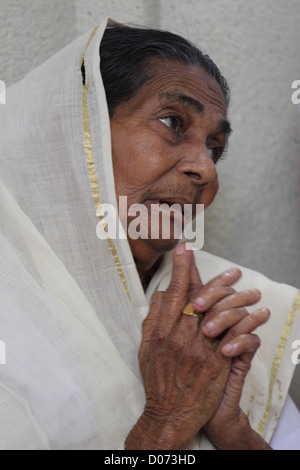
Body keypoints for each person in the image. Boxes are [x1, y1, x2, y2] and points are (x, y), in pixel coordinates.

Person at [0, 18, 299, 450]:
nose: (207, 169)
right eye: (172, 122)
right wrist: (167, 421)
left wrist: (232, 430)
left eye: (215, 148)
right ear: (67, 134)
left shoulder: (234, 311)